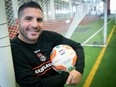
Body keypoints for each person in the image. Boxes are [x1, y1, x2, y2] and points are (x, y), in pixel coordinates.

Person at [10, 1, 85, 87]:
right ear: (17, 22)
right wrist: (68, 75)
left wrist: (79, 70)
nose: (35, 25)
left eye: (39, 20)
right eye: (28, 19)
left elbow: (77, 46)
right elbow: (34, 85)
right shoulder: (13, 50)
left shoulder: (49, 36)